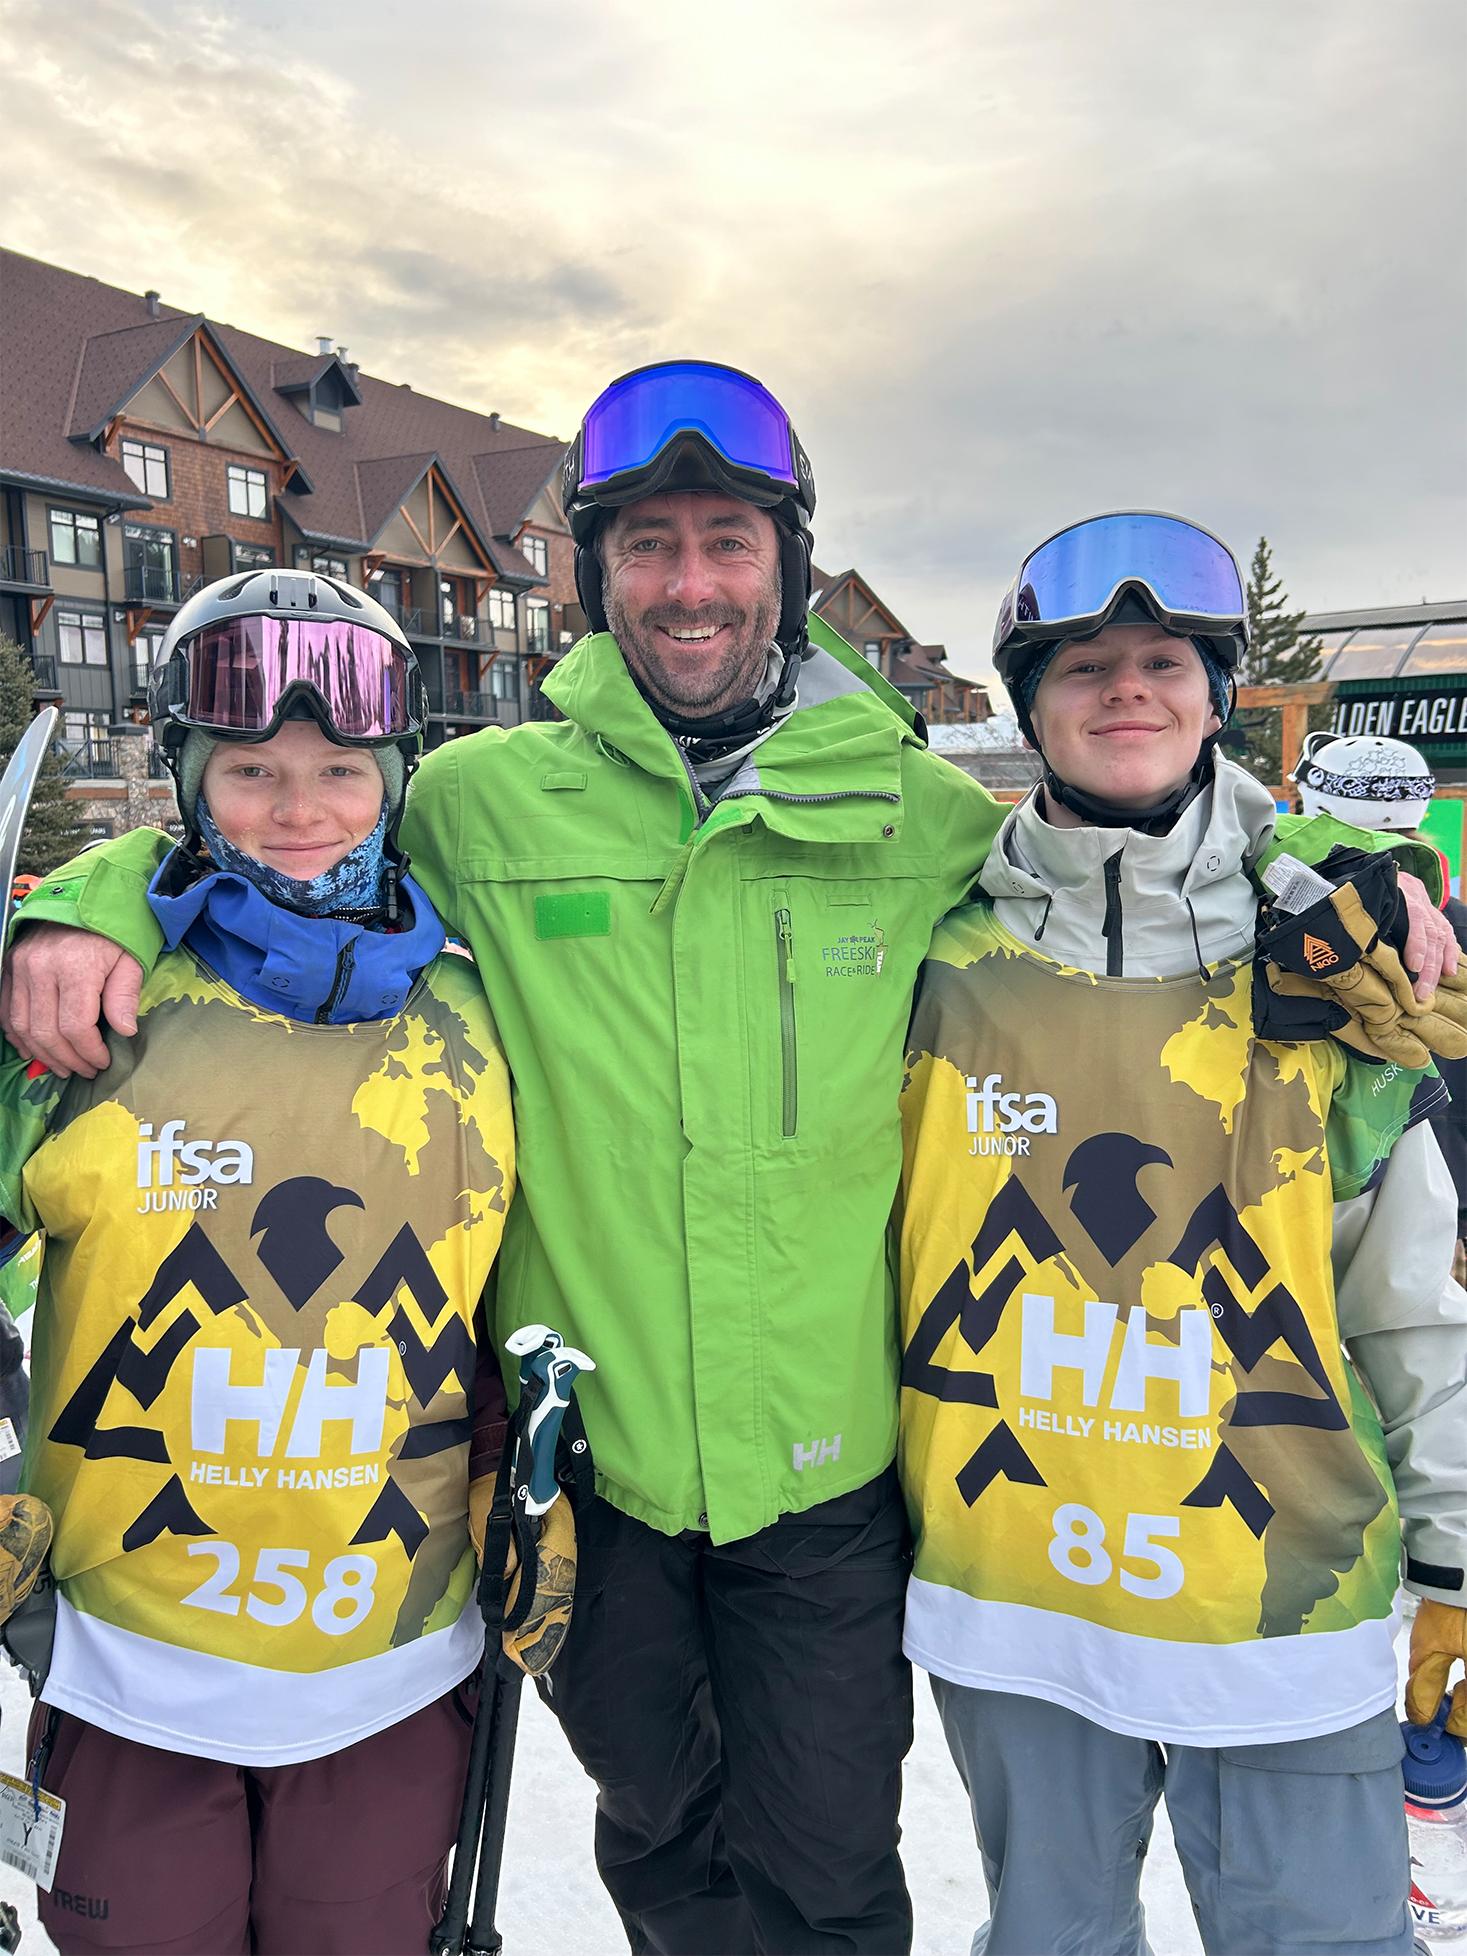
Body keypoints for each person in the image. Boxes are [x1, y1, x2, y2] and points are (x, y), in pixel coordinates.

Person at [1, 378, 1458, 1955]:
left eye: (724, 542)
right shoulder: (481, 802)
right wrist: (82, 905)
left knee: (827, 1870)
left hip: (823, 1477)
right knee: (660, 1843)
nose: (688, 582)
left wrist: (1347, 864)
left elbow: (1139, 831)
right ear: (593, 573)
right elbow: (279, 826)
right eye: (647, 545)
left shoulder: (911, 814)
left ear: (786, 563)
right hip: (597, 1471)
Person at [898, 512, 1467, 1955]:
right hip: (1016, 1586)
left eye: (1163, 663)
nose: (1127, 693)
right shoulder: (934, 957)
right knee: (1051, 1939)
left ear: (1217, 698)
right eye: (1084, 667)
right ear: (1028, 707)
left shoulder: (1328, 959)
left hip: (1280, 1594)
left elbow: (1408, 1293)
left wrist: (1456, 1555)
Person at [0, 569, 517, 1956]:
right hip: (130, 1663)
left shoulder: (482, 1010)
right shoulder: (88, 1010)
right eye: (250, 772)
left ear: (394, 779)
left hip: (387, 1660)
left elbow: (526, 1279)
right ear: (187, 782)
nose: (300, 810)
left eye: (341, 770)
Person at [1296, 731, 1467, 1284]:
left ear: (1313, 807)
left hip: (1304, 1186)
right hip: (1432, 1200)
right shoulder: (1458, 929)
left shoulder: (1275, 923)